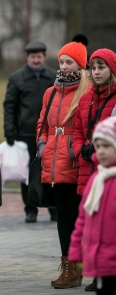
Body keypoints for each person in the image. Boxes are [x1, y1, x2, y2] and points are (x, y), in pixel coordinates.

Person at [37, 40, 88, 289]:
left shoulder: (85, 91)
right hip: (54, 162)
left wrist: (74, 149)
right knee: (62, 219)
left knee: (77, 217)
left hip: (74, 161)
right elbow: (42, 124)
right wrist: (42, 144)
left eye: (70, 62)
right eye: (62, 62)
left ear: (80, 65)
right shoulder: (51, 92)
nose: (65, 66)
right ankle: (69, 268)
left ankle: (78, 268)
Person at [72, 48, 116, 292]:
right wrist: (81, 150)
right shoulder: (86, 98)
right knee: (92, 220)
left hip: (110, 168)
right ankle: (97, 273)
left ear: (112, 70)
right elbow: (77, 129)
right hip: (89, 168)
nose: (96, 72)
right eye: (93, 68)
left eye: (102, 67)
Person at [3, 41, 57, 223]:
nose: (36, 60)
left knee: (51, 171)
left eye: (39, 56)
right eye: (32, 56)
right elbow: (10, 106)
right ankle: (30, 209)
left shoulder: (53, 77)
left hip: (49, 133)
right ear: (27, 58)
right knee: (27, 173)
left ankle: (54, 208)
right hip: (25, 134)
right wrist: (9, 131)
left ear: (44, 57)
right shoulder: (17, 78)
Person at [69, 116, 116, 295]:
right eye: (98, 146)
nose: (101, 151)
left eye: (107, 146)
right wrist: (75, 251)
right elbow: (83, 218)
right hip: (101, 262)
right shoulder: (96, 180)